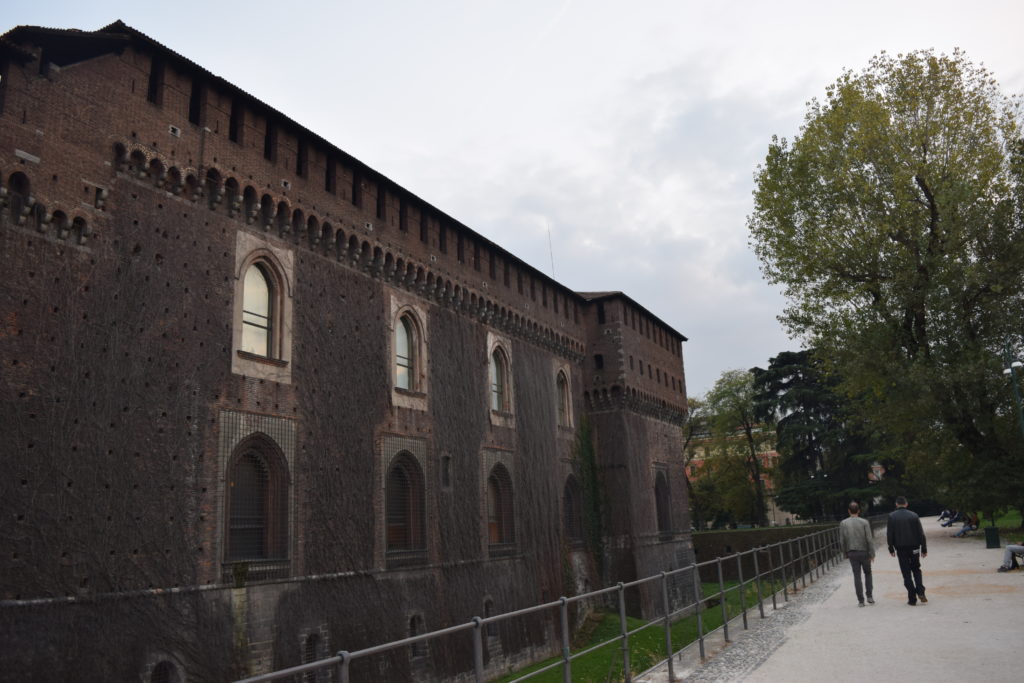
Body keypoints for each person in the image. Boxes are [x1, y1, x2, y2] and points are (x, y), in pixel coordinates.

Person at [887, 496, 928, 605]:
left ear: (896, 504)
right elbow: (921, 533)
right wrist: (924, 548)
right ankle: (920, 591)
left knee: (906, 573)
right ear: (906, 504)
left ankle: (912, 598)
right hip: (914, 547)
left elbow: (890, 534)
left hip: (901, 548)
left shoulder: (891, 516)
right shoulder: (914, 515)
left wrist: (891, 548)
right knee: (916, 569)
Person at [839, 501, 875, 606]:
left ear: (849, 511)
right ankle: (869, 596)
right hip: (864, 551)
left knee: (857, 575)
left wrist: (844, 553)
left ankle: (860, 601)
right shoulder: (864, 522)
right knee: (868, 573)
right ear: (859, 510)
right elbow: (869, 539)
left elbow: (842, 540)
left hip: (851, 552)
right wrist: (871, 553)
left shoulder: (843, 523)